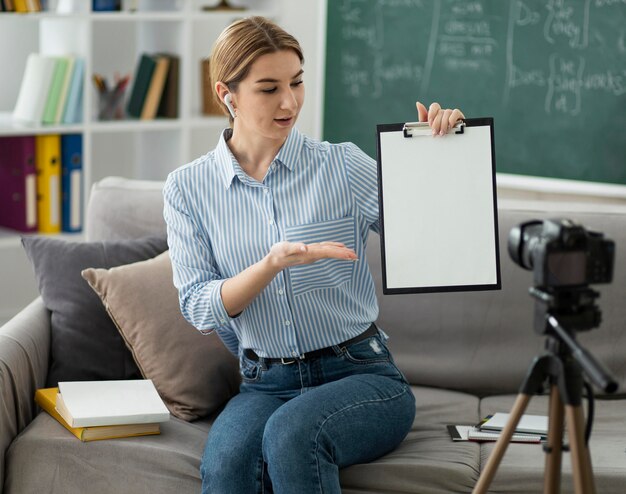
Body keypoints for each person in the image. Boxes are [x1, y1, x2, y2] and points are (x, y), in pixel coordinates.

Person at [163, 16, 465, 494]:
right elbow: (199, 307)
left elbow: (438, 238)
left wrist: (441, 156)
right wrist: (270, 266)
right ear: (228, 95)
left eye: (297, 83)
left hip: (361, 374)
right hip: (265, 382)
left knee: (293, 434)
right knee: (225, 469)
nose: (290, 102)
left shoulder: (341, 166)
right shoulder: (188, 188)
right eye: (268, 88)